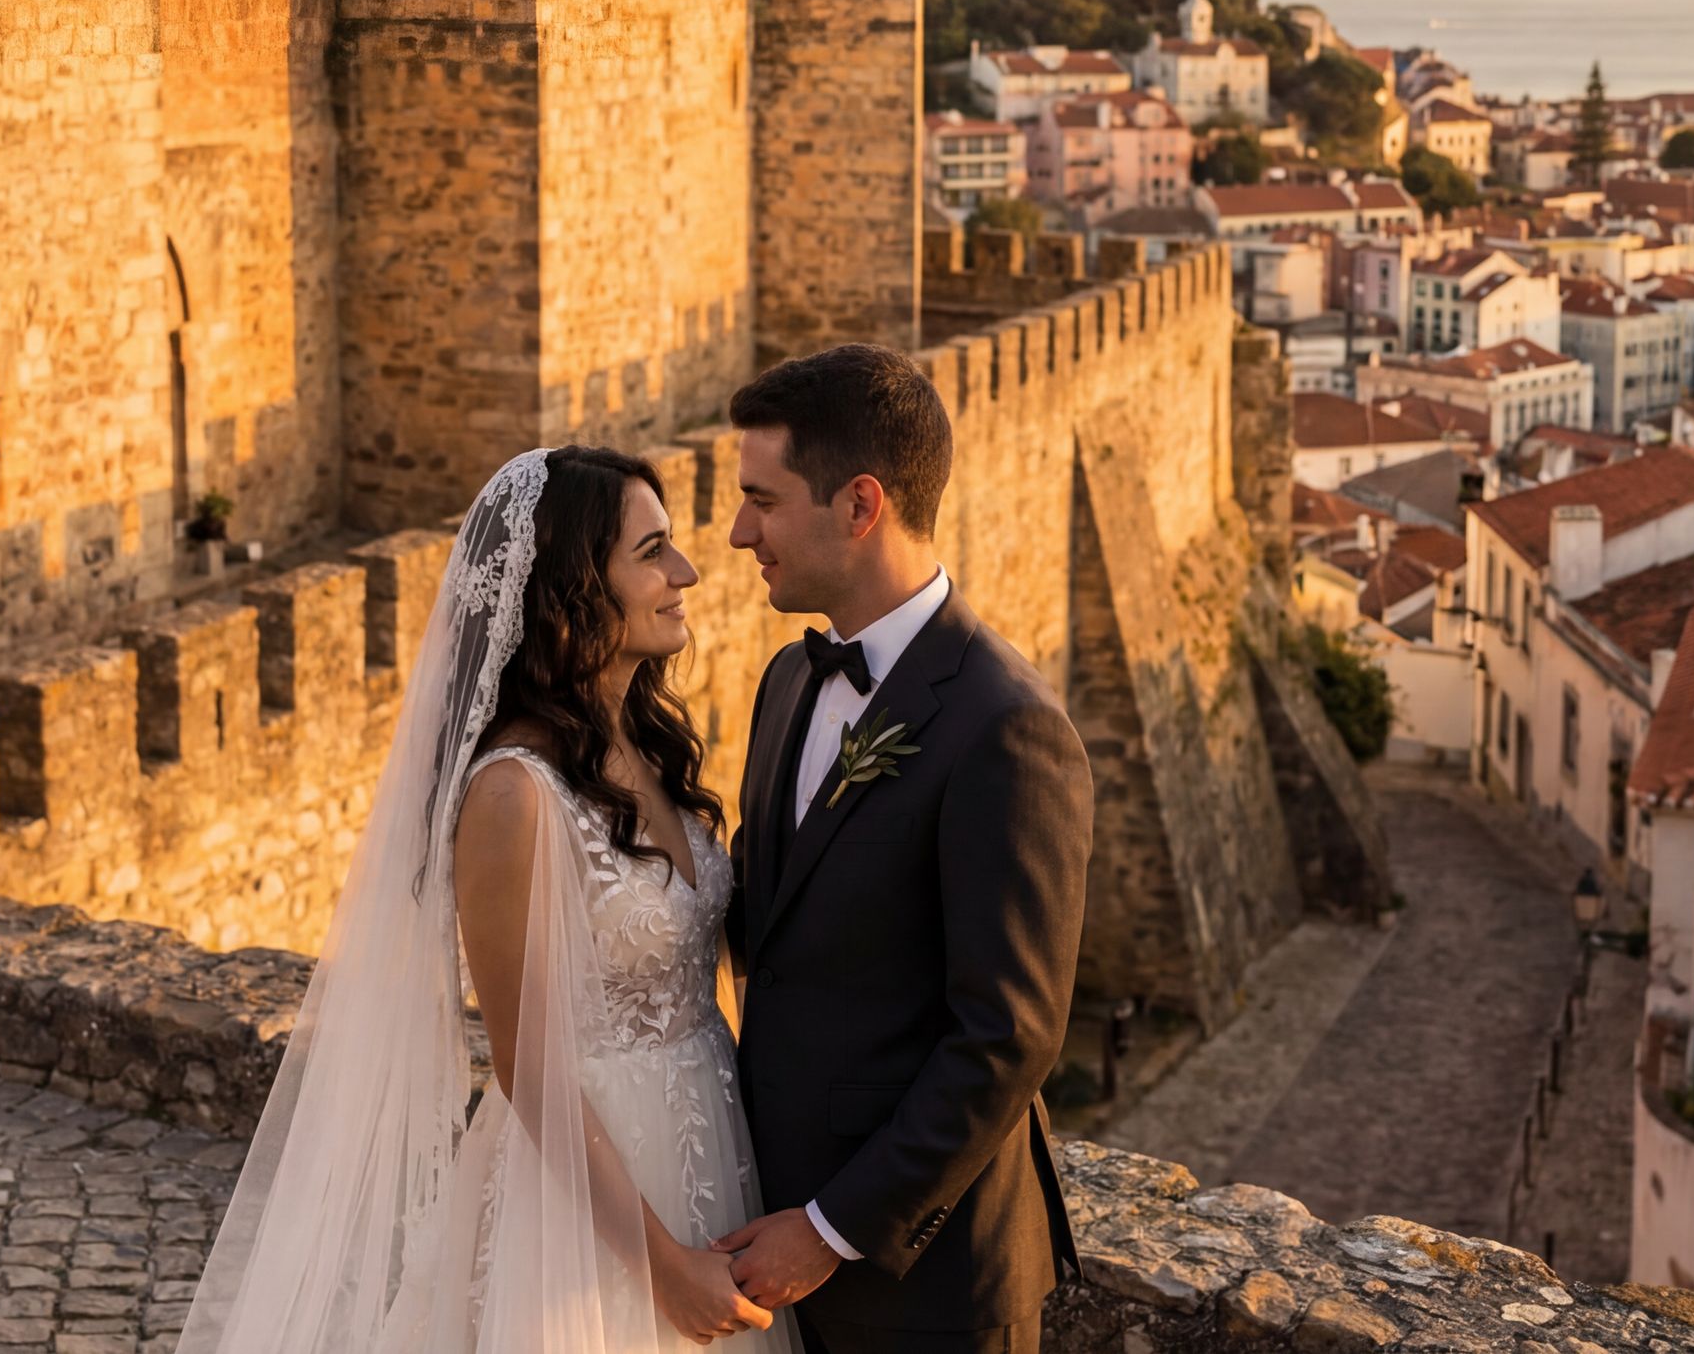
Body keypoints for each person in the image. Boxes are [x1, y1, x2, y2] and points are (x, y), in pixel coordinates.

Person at [178, 445, 794, 1352]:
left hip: (711, 1147)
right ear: (574, 588)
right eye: (653, 551)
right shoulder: (514, 792)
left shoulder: (649, 748)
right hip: (590, 1201)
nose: (686, 572)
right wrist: (664, 1266)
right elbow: (528, 1067)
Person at [712, 344, 1093, 1352]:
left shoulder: (1007, 727)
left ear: (860, 505)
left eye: (762, 499)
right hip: (765, 1239)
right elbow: (768, 925)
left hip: (929, 1285)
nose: (740, 530)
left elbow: (1007, 1036)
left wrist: (832, 1231)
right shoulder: (788, 685)